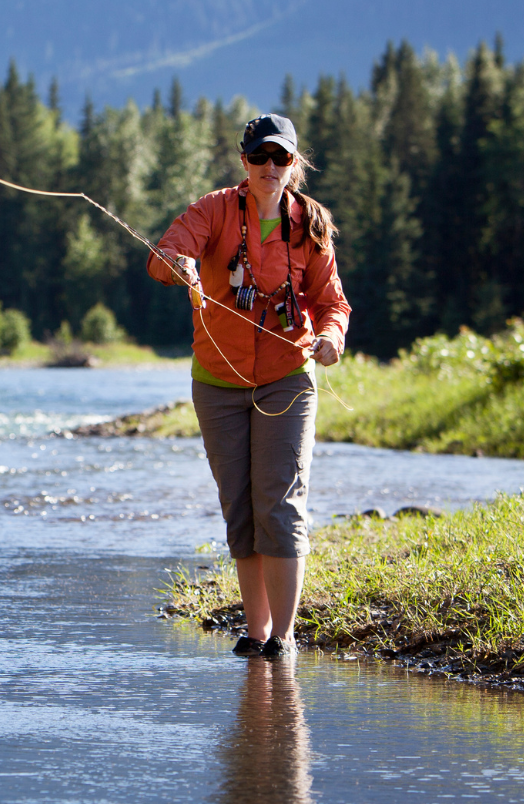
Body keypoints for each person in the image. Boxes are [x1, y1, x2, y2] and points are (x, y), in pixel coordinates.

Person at [147, 113, 350, 658]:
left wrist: (331, 337)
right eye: (259, 156)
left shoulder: (310, 224)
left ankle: (284, 637)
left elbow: (332, 302)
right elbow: (163, 256)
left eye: (280, 157)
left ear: (294, 163)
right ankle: (256, 634)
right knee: (240, 508)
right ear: (244, 161)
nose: (269, 166)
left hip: (287, 378)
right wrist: (178, 265)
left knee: (278, 504)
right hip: (217, 380)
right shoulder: (212, 210)